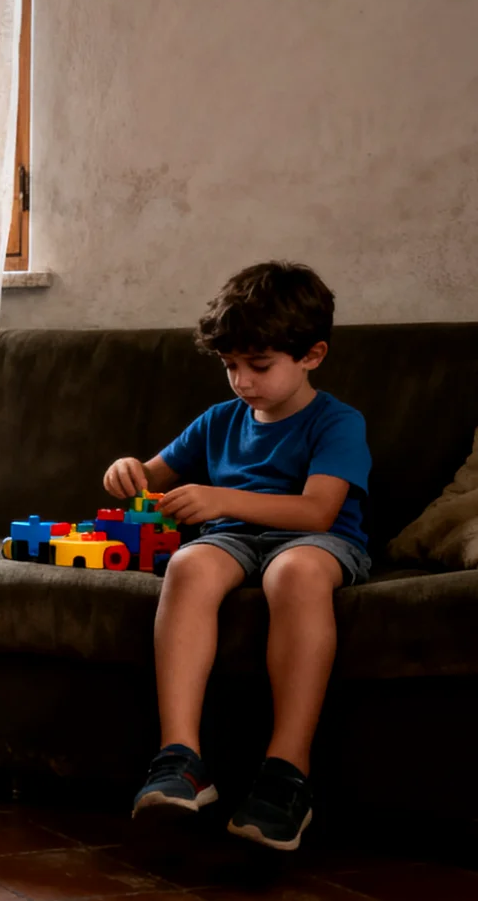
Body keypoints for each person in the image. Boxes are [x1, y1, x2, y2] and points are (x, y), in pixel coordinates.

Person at [107, 262, 370, 851]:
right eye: (230, 366)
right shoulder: (218, 421)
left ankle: (287, 772)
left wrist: (221, 497)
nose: (242, 382)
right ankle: (180, 759)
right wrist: (127, 471)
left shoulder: (337, 422)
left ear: (312, 355)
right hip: (232, 539)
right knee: (189, 564)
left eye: (259, 365)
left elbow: (317, 512)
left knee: (295, 572)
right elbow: (150, 476)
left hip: (316, 542)